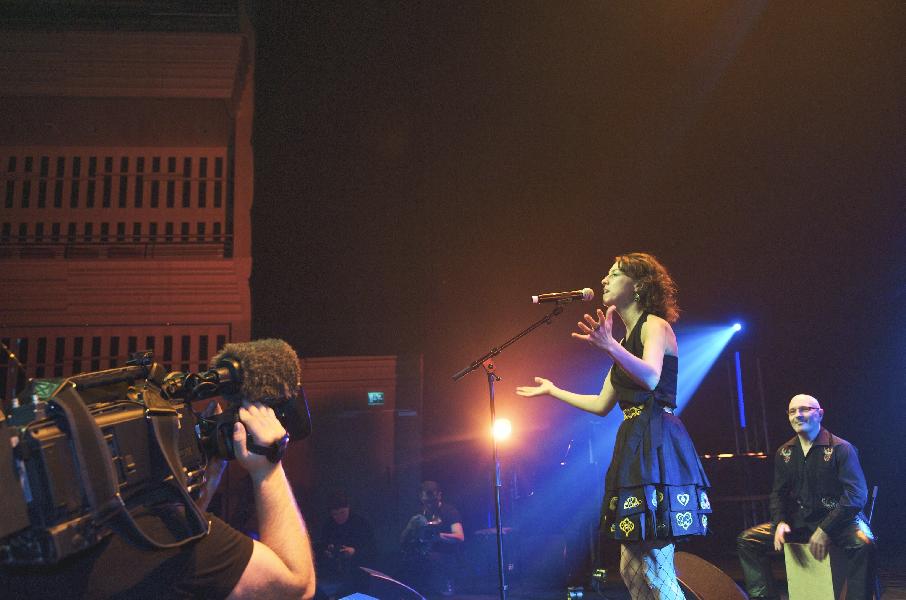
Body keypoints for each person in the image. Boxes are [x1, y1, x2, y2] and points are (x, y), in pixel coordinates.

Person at [516, 252, 711, 599]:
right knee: (630, 567)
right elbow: (602, 404)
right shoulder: (623, 343)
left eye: (614, 274)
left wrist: (608, 346)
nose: (604, 280)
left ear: (638, 285)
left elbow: (651, 377)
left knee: (653, 561)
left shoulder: (655, 325)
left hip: (657, 442)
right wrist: (554, 391)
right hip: (635, 442)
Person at [0, 399, 317, 599]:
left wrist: (210, 476)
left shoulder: (21, 540)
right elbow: (295, 585)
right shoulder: (152, 532)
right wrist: (268, 466)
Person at [736, 394, 875, 600]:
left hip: (839, 522)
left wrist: (825, 529)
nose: (797, 415)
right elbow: (778, 493)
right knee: (748, 540)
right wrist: (780, 521)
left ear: (820, 414)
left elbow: (856, 495)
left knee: (863, 543)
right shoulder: (785, 452)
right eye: (792, 411)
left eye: (804, 410)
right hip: (802, 521)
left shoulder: (840, 448)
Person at [400, 481, 464, 597]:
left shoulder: (449, 511)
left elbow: (459, 536)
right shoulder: (417, 513)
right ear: (421, 497)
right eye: (426, 502)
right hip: (421, 561)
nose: (429, 504)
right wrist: (409, 527)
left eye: (432, 501)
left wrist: (437, 537)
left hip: (445, 558)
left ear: (439, 495)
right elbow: (403, 541)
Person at [314, 490, 377, 599]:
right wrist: (327, 552)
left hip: (358, 575)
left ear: (348, 508)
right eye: (335, 514)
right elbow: (320, 548)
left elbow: (373, 551)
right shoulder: (328, 525)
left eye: (342, 512)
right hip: (333, 575)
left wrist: (354, 552)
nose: (339, 517)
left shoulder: (361, 524)